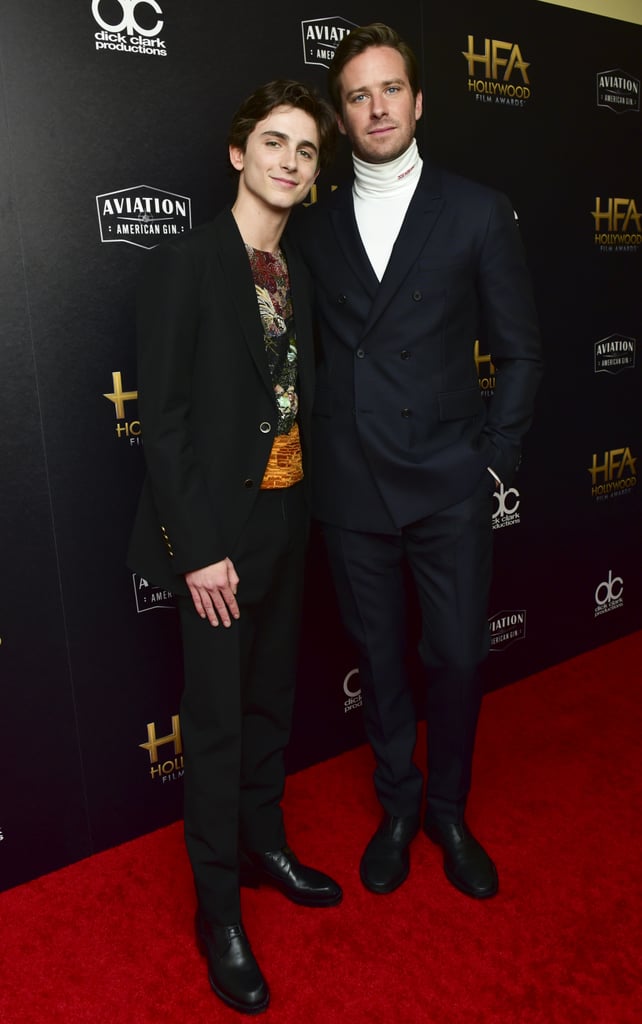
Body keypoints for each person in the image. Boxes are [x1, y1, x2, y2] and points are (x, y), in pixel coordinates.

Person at [294, 25, 543, 901]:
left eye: (390, 89)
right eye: (358, 95)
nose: (377, 107)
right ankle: (397, 806)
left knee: (458, 658)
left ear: (418, 100)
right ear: (340, 115)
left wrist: (493, 457)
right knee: (383, 661)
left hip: (448, 478)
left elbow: (521, 352)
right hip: (351, 482)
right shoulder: (313, 226)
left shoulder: (476, 209)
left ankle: (448, 809)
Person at [127, 80, 340, 1015]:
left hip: (289, 520)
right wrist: (199, 548)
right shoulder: (187, 265)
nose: (290, 161)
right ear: (237, 153)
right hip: (217, 538)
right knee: (214, 723)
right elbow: (163, 425)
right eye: (275, 143)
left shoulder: (301, 271)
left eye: (306, 150)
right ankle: (219, 911)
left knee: (269, 702)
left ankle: (264, 845)